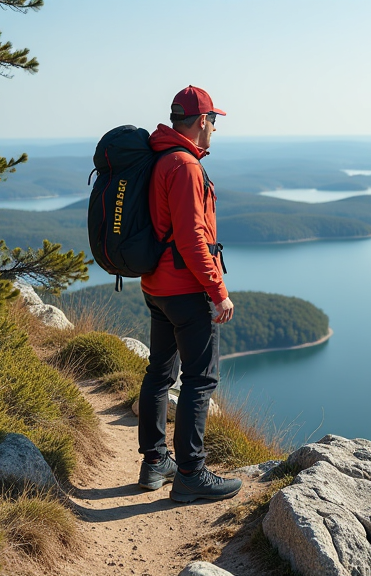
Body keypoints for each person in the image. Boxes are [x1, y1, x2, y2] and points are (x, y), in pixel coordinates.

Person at [136, 85, 240, 503]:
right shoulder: (186, 166)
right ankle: (191, 473)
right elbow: (193, 236)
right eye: (213, 121)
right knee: (200, 379)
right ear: (201, 122)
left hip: (156, 286)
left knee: (160, 373)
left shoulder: (160, 156)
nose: (215, 129)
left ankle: (154, 462)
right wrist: (219, 291)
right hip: (185, 289)